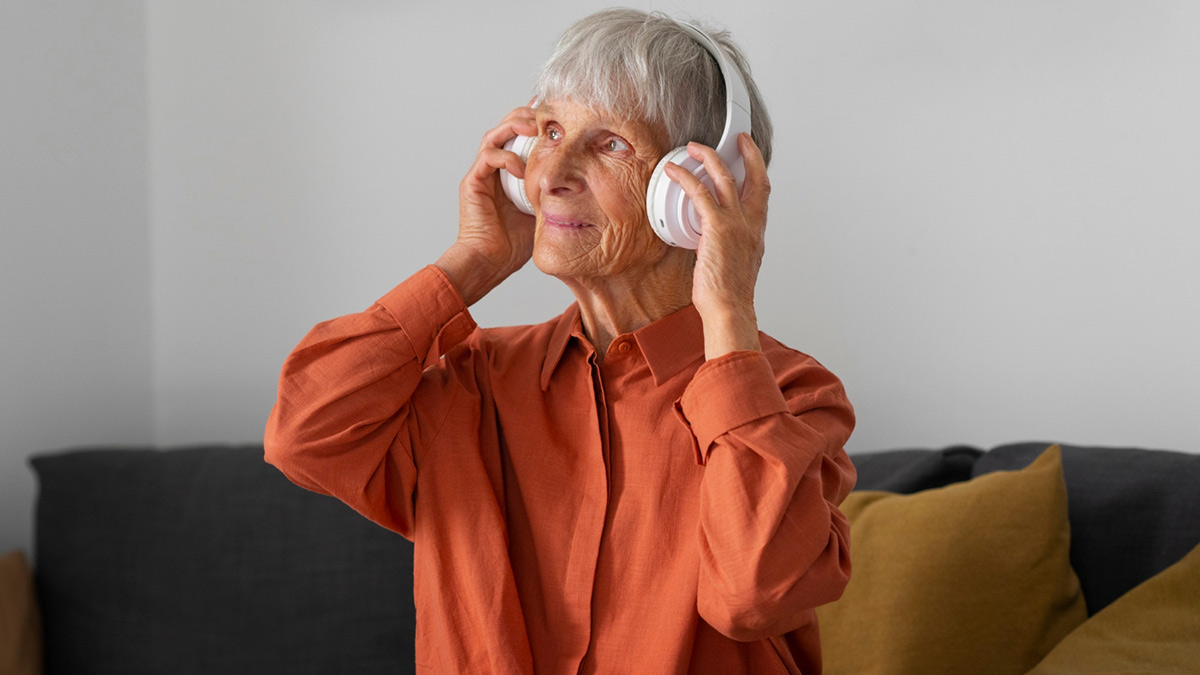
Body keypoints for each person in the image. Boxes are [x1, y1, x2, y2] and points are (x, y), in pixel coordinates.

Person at [265, 8, 855, 674]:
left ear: (694, 192)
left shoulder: (791, 396)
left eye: (609, 144)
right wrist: (472, 261)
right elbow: (304, 435)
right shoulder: (472, 382)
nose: (551, 174)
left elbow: (755, 594)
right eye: (548, 132)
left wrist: (728, 307)